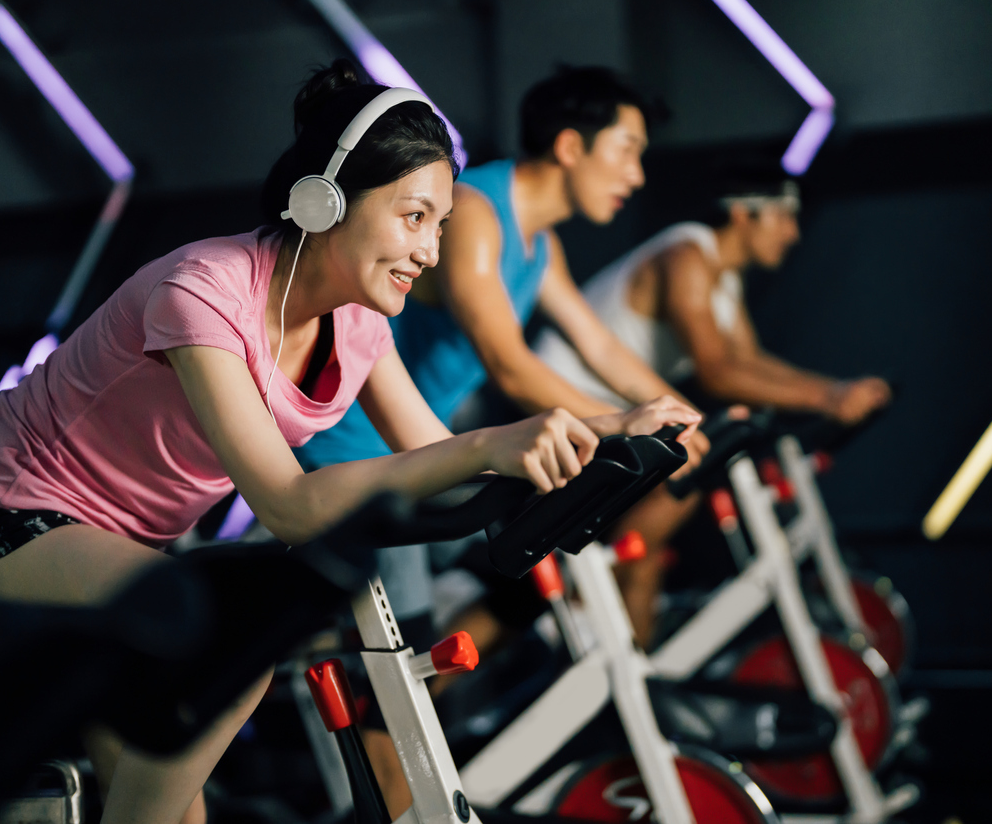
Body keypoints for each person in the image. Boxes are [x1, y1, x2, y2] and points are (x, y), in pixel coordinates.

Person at [0, 60, 688, 824]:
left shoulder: (360, 321)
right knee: (232, 635)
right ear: (324, 201)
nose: (429, 251)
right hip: (2, 516)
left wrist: (604, 433)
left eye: (441, 225)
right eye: (413, 217)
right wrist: (489, 448)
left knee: (174, 805)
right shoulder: (203, 291)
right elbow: (290, 505)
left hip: (131, 552)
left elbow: (433, 450)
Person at [297, 65, 707, 656]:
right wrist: (619, 426)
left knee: (531, 580)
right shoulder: (477, 217)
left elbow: (600, 347)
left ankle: (446, 719)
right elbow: (508, 364)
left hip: (423, 446)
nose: (636, 175)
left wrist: (681, 418)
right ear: (570, 146)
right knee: (401, 660)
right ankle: (387, 727)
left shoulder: (542, 245)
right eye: (627, 150)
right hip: (359, 451)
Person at [536, 177, 892, 419]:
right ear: (740, 213)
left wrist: (838, 389)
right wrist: (828, 400)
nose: (792, 233)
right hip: (556, 393)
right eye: (783, 216)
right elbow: (717, 373)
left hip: (611, 399)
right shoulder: (687, 255)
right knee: (682, 480)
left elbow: (746, 360)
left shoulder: (726, 278)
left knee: (691, 474)